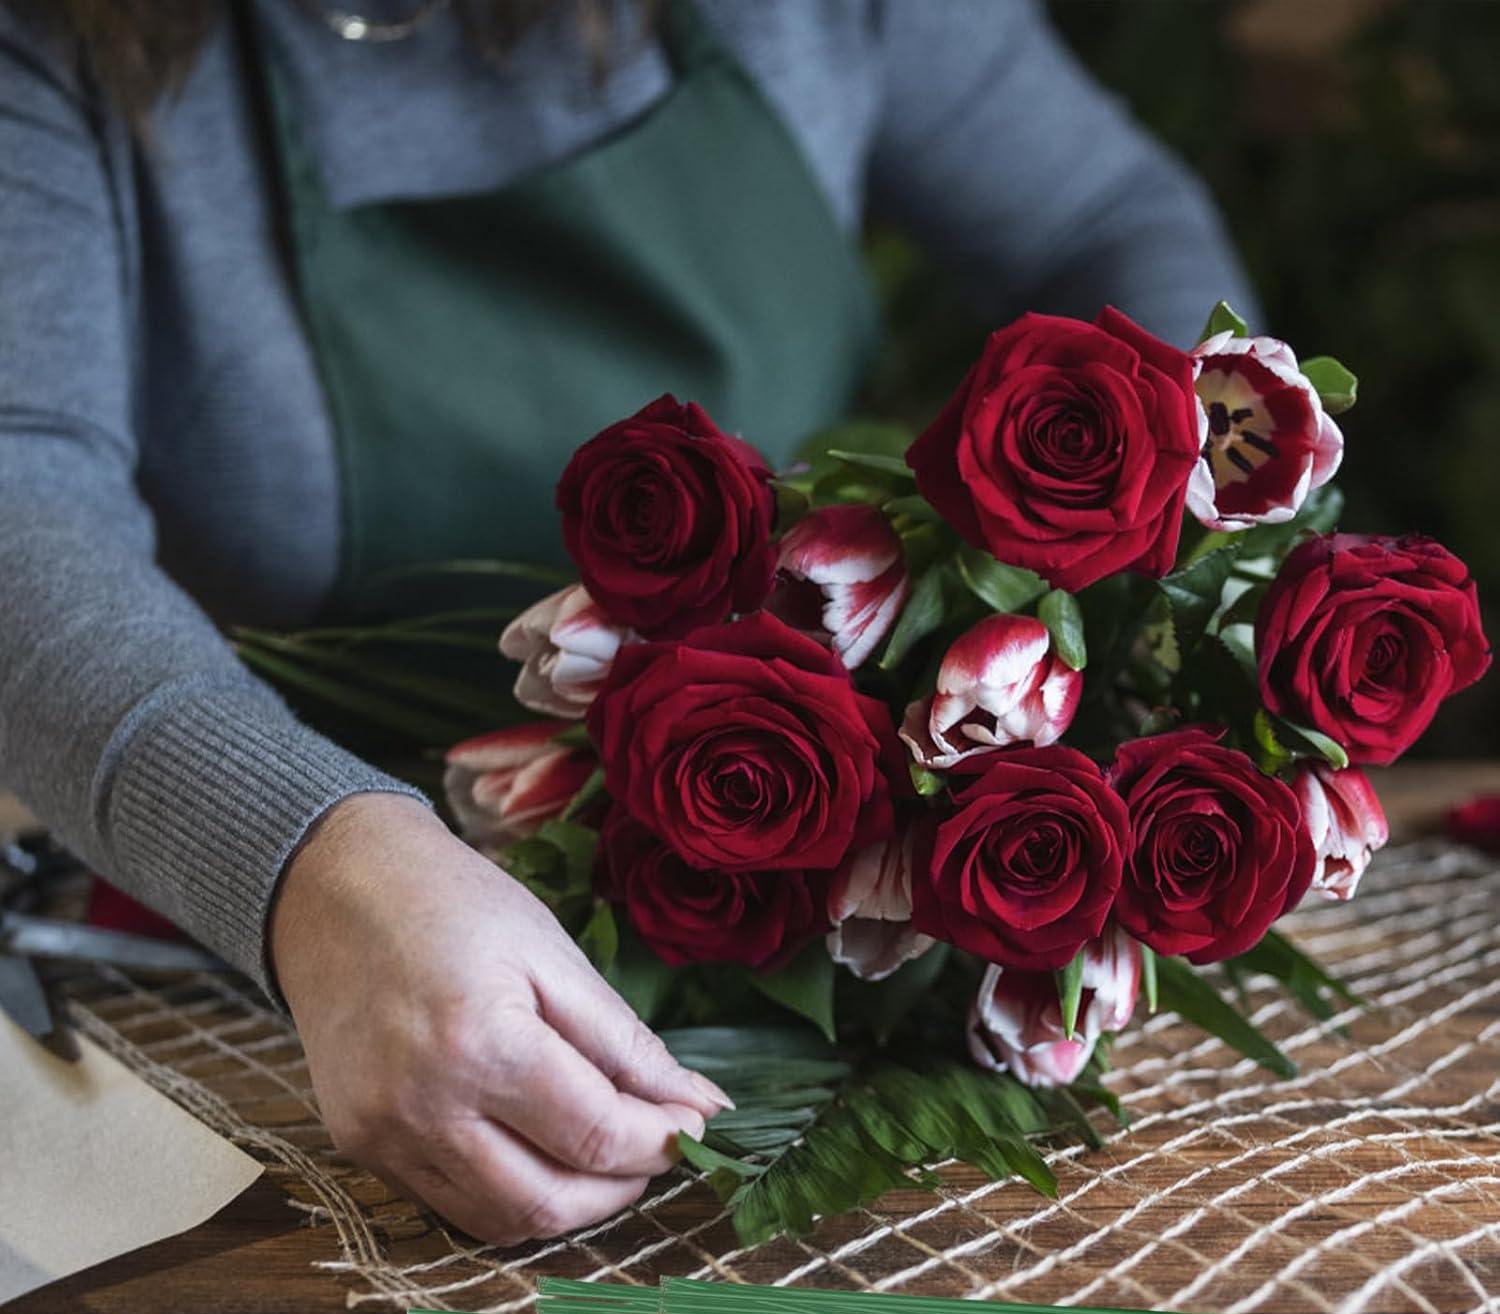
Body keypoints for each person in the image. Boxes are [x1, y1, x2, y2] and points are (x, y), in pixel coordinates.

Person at [0, 0, 1257, 1245]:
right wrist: (309, 866)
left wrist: (1155, 600)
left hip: (836, 923)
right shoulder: (53, 49)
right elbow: (20, 507)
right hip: (285, 958)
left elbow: (1109, 222)